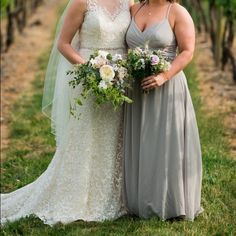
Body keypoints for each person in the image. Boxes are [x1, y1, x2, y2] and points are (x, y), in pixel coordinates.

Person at [1, 0, 133, 226]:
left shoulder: (129, 1)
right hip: (89, 77)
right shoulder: (82, 2)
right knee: (84, 136)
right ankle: (76, 196)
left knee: (113, 136)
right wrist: (91, 69)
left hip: (119, 79)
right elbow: (64, 44)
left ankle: (112, 194)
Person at [124, 0, 203, 220]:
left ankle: (169, 201)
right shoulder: (134, 8)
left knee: (164, 143)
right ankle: (138, 200)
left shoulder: (177, 11)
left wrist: (163, 76)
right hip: (136, 90)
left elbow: (187, 51)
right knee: (141, 141)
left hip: (166, 87)